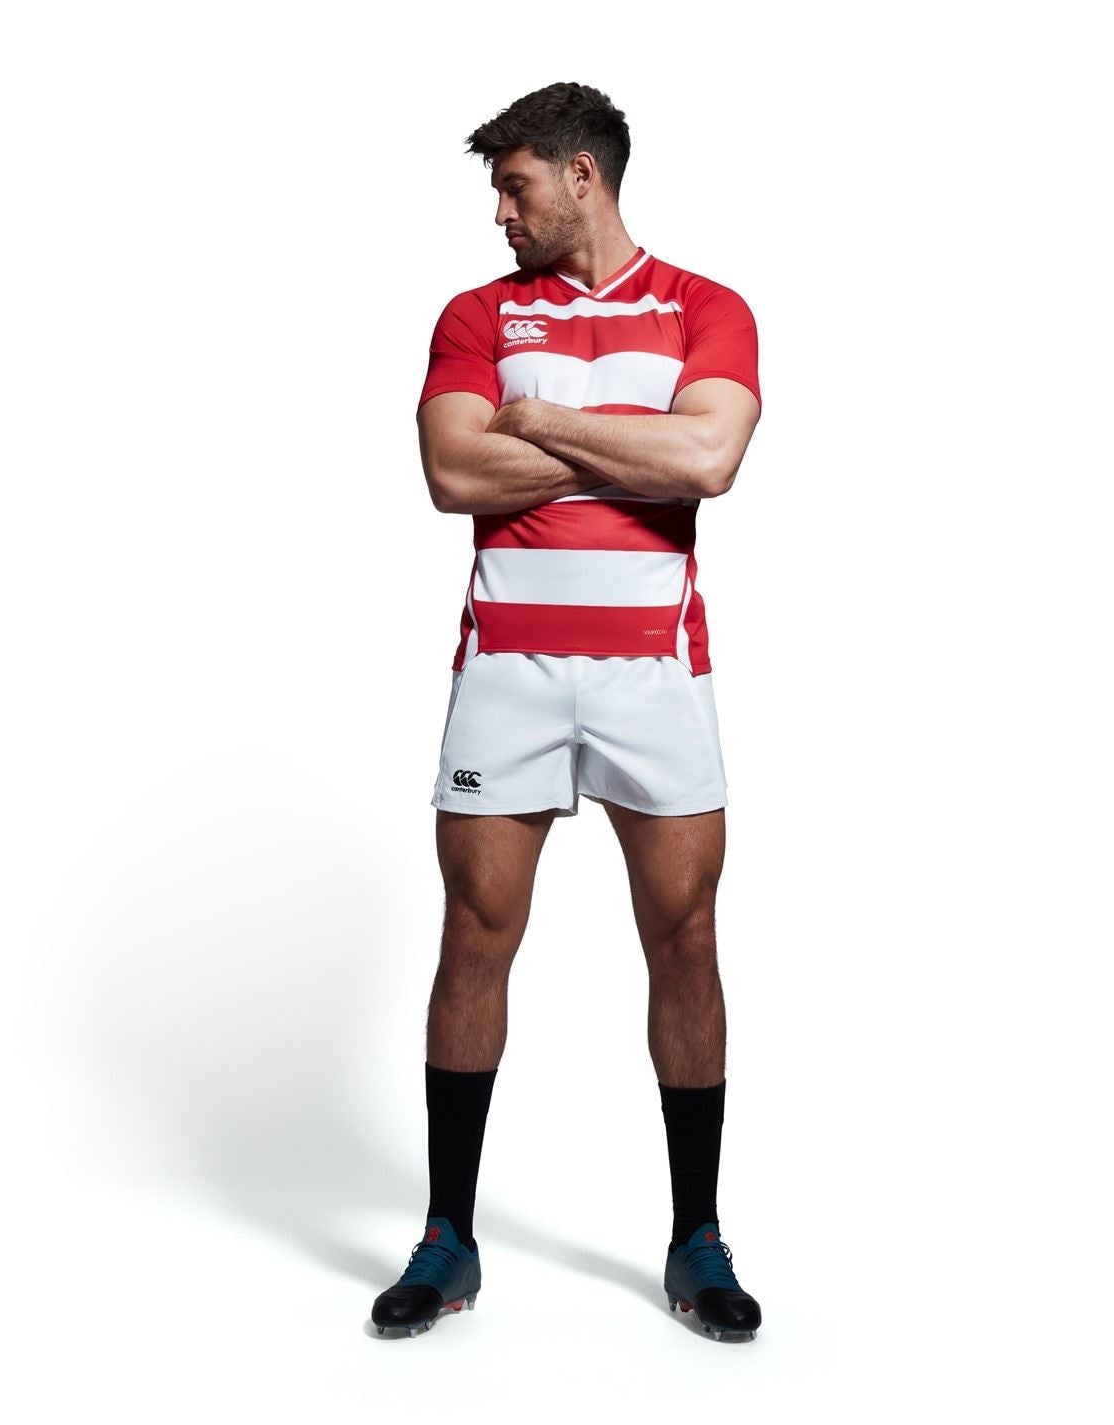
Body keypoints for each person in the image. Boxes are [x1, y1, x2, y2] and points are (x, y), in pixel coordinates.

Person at [371, 82, 763, 1341]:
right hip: (509, 670)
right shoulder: (475, 316)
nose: (501, 212)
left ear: (581, 175)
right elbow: (452, 471)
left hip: (656, 670)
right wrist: (629, 441)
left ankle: (698, 1237)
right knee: (475, 933)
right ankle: (447, 1238)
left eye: (516, 186)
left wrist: (537, 420)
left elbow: (708, 461)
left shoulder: (706, 307)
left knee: (685, 936)